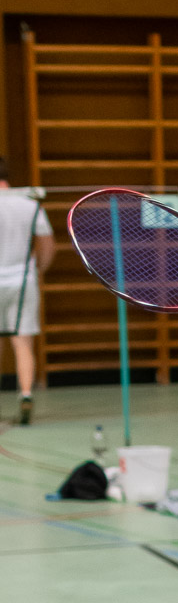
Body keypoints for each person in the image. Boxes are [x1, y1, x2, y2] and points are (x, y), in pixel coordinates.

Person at [0, 161, 55, 425]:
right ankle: (25, 394)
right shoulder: (29, 204)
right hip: (23, 280)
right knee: (22, 343)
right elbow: (47, 244)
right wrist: (38, 269)